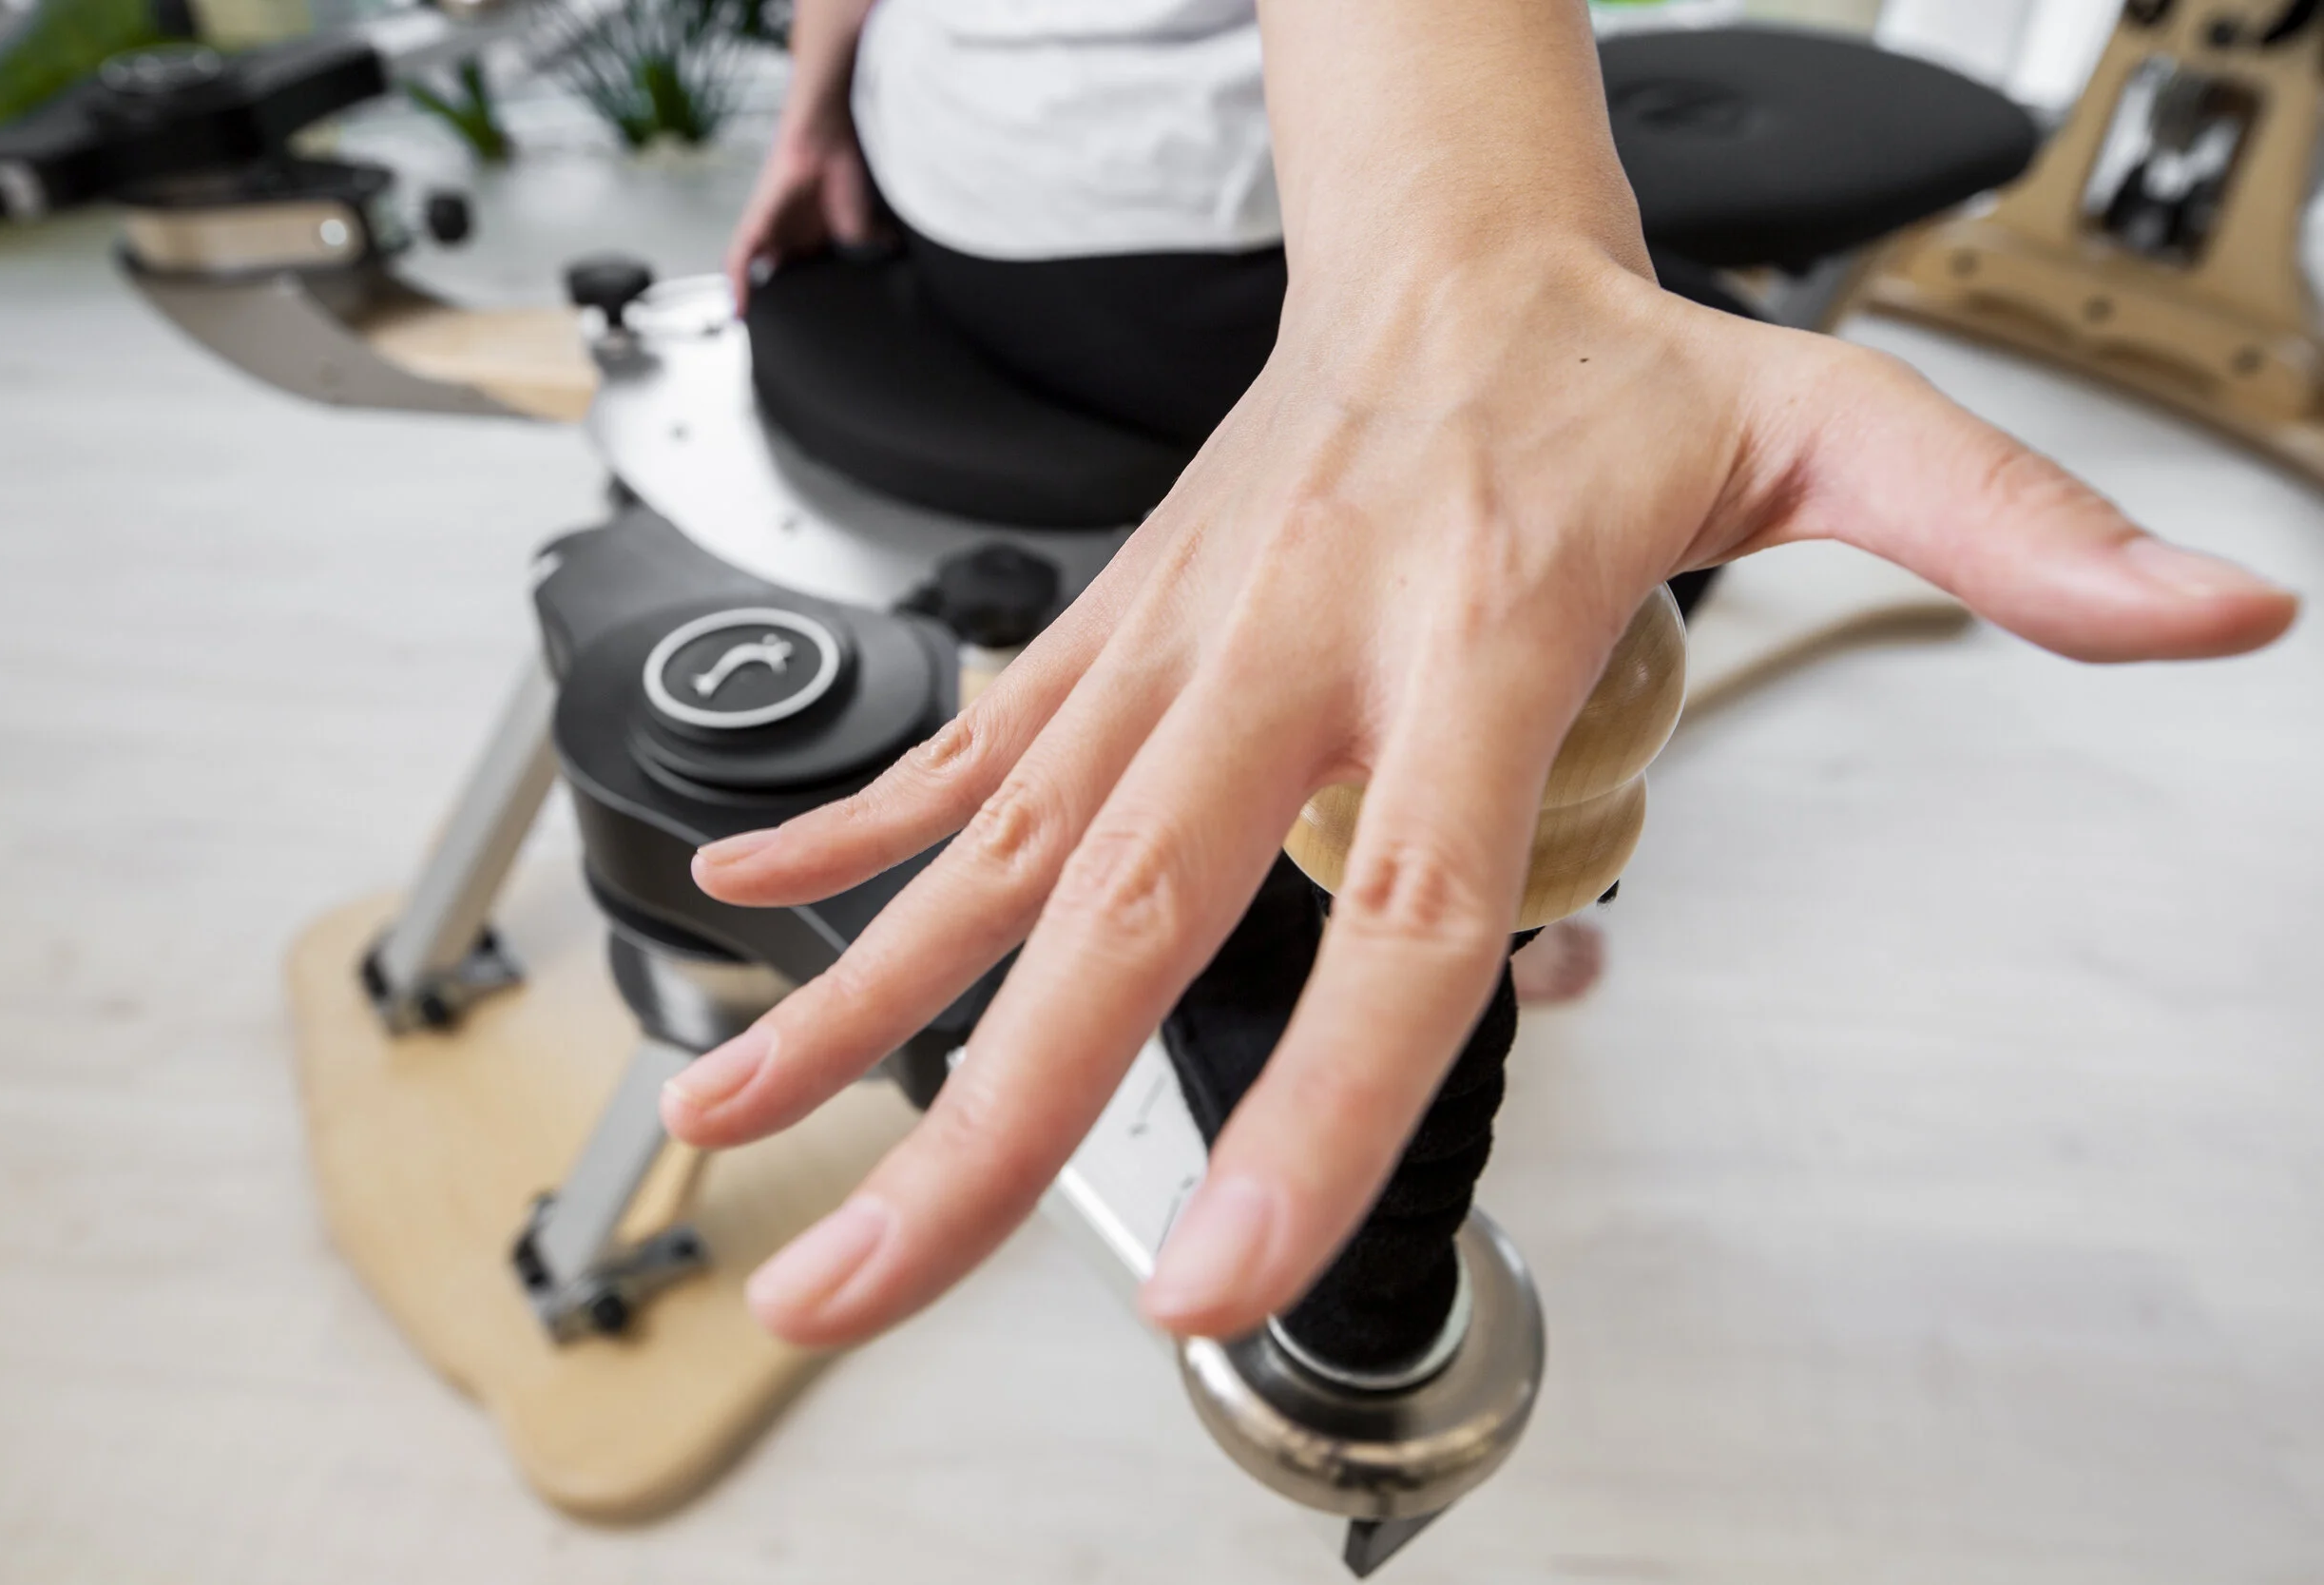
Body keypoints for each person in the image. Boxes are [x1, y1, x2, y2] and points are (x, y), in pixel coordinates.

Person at [662, 0, 2297, 1355]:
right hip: (1153, 210)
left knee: (1623, 401)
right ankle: (1348, 882)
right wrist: (1471, 277)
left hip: (941, 153)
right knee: (1647, 403)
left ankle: (1457, 814)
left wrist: (816, 105)